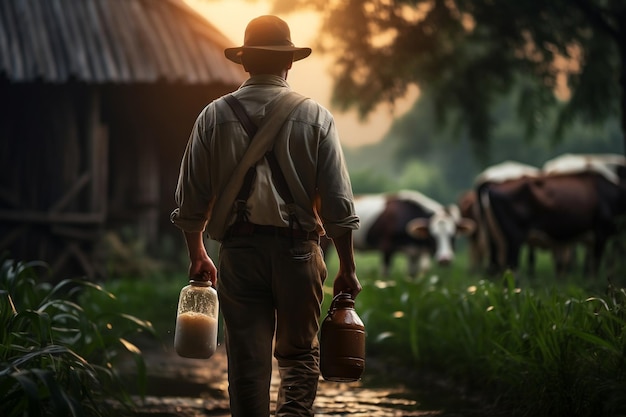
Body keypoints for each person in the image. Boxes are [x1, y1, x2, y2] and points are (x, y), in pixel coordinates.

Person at [170, 15, 361, 417]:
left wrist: (197, 253)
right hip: (298, 253)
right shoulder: (316, 117)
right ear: (288, 63)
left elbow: (190, 202)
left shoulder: (212, 117)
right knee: (298, 358)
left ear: (244, 63)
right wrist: (347, 266)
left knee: (247, 365)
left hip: (239, 254)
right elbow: (339, 206)